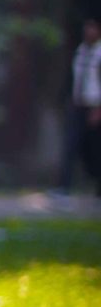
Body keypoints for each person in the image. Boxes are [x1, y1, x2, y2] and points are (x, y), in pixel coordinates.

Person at [57, 17, 101, 196]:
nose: (89, 31)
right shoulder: (81, 50)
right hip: (78, 106)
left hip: (94, 107)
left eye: (92, 28)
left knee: (96, 150)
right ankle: (64, 188)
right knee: (70, 146)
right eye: (87, 27)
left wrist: (98, 109)